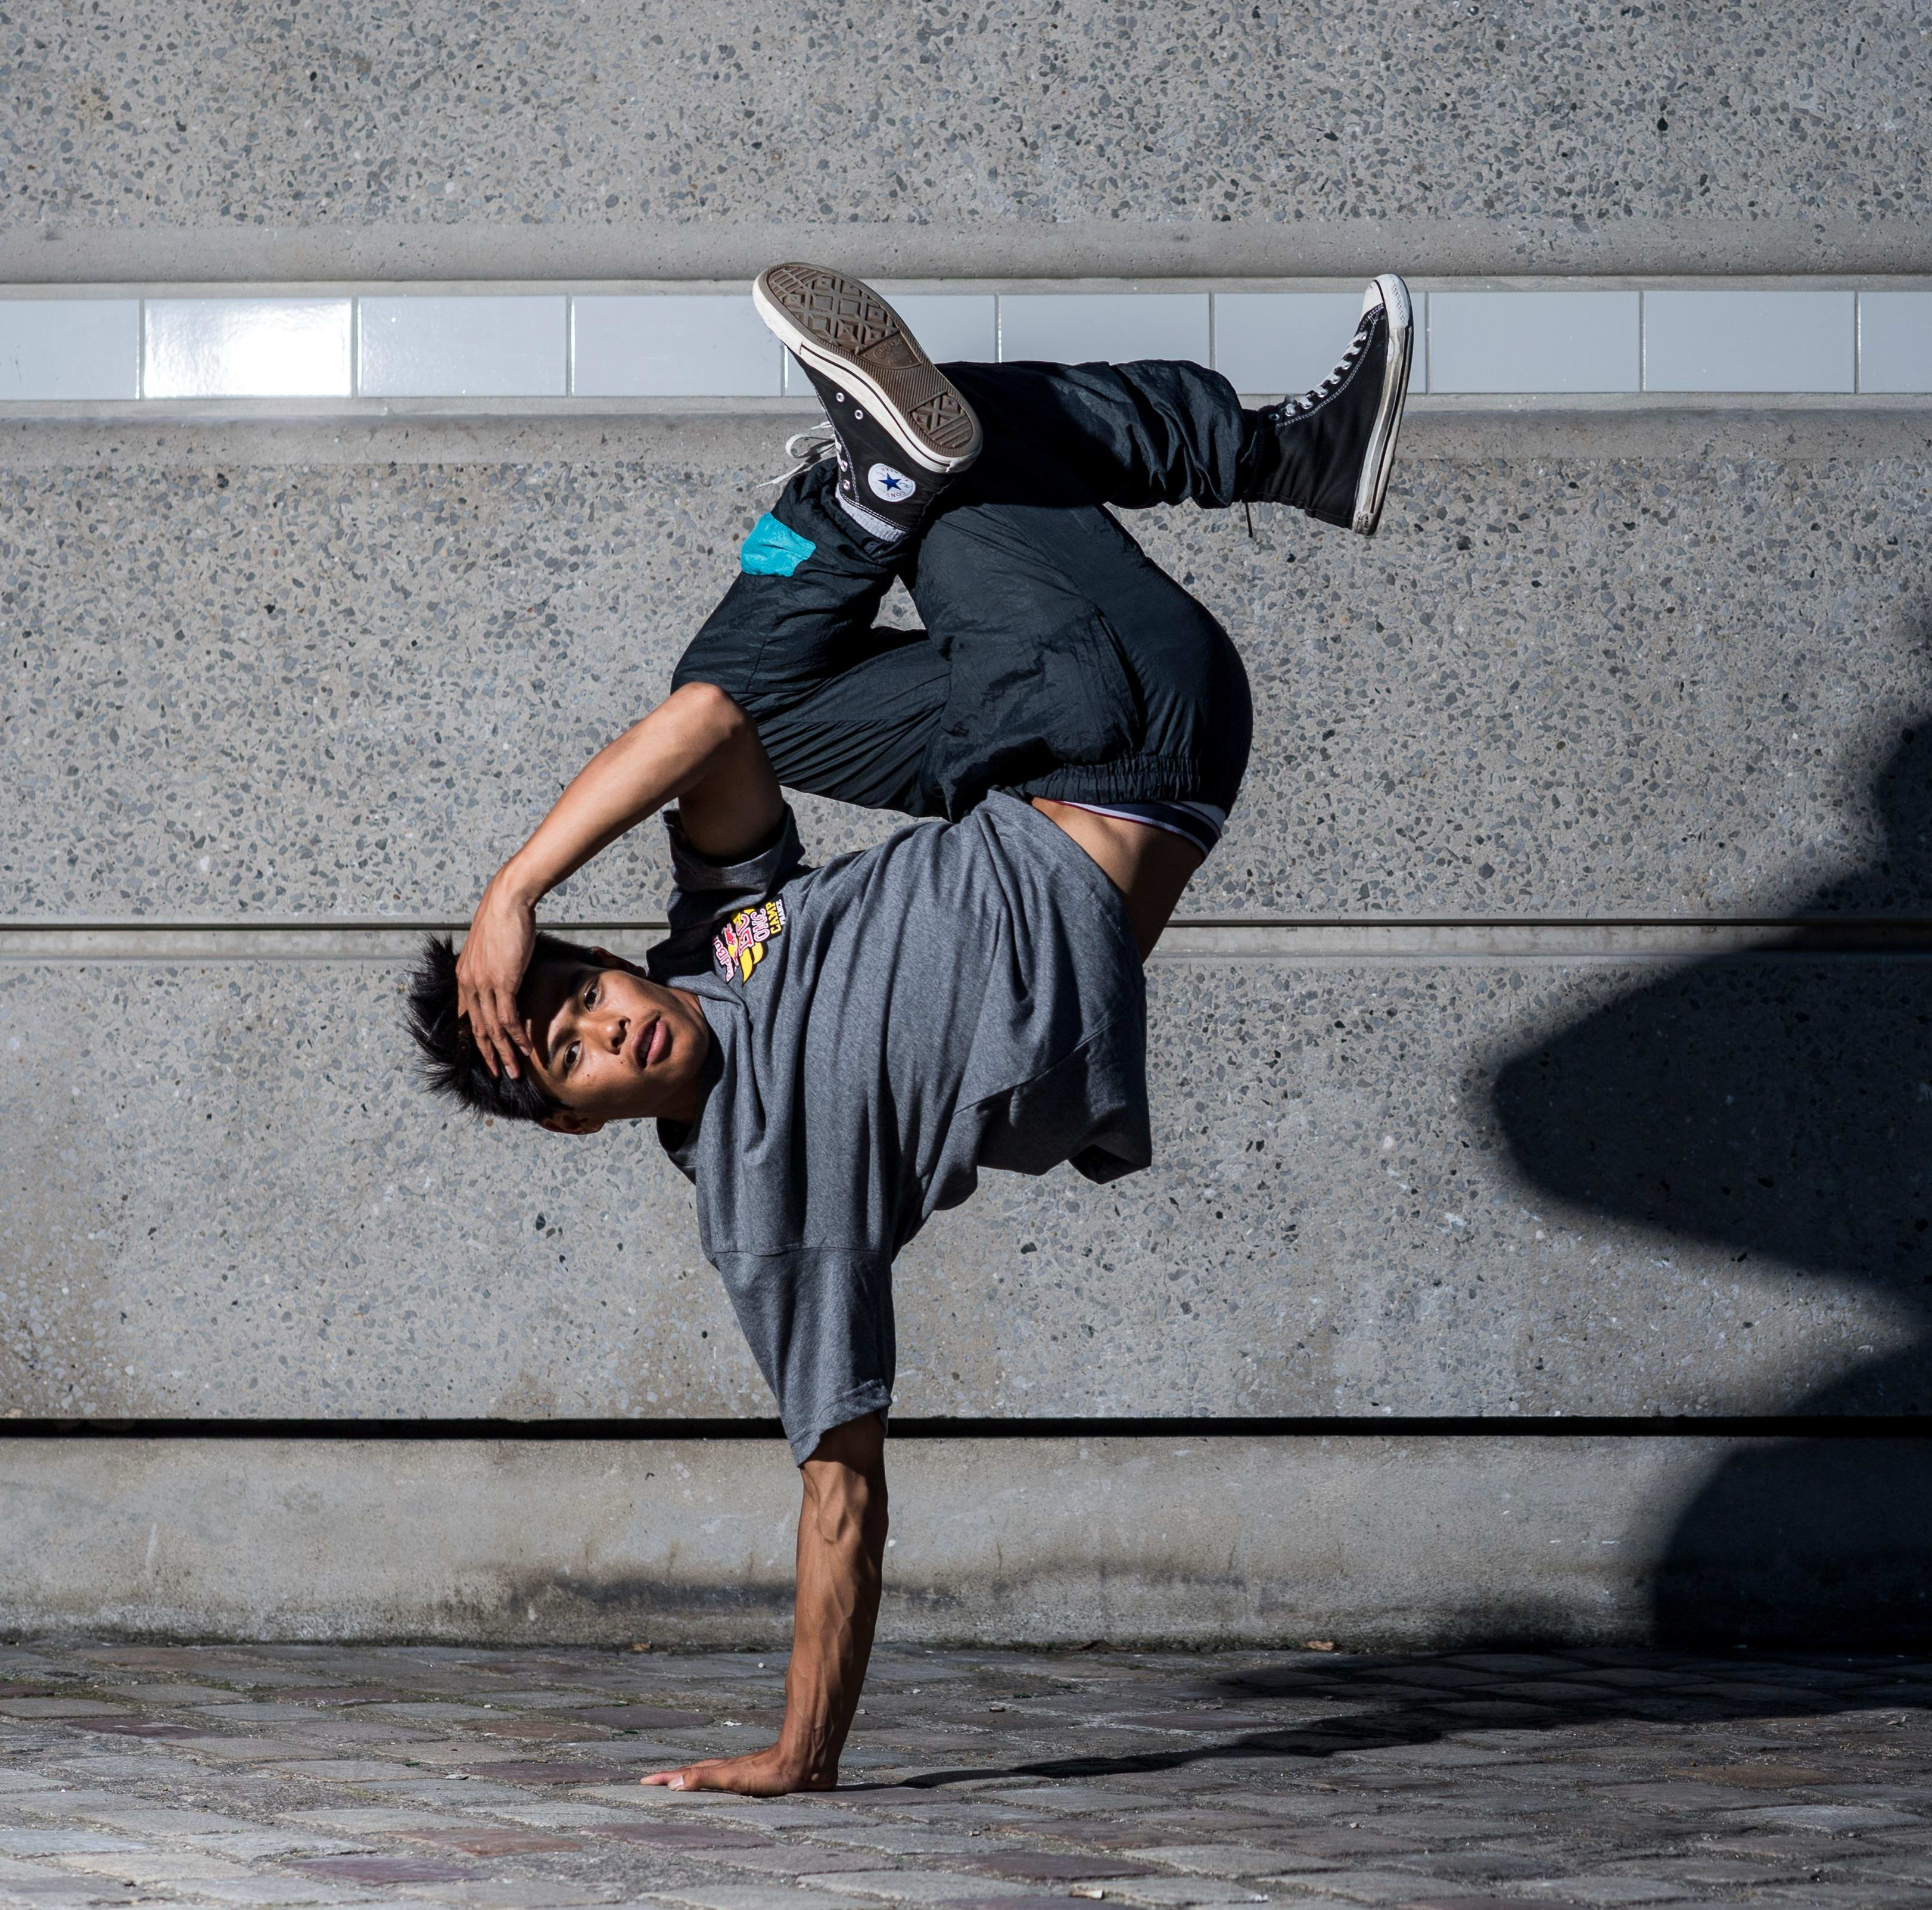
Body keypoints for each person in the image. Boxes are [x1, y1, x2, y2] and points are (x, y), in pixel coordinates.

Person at [400, 263, 1414, 1793]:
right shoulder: (767, 1205)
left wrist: (515, 891)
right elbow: (839, 1497)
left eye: (586, 990)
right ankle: (951, 479)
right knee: (929, 463)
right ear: (572, 1120)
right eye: (571, 1054)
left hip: (1034, 737)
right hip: (1120, 741)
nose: (613, 1026)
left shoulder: (717, 947)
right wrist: (802, 1754)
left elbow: (717, 737)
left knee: (761, 664)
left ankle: (885, 482)